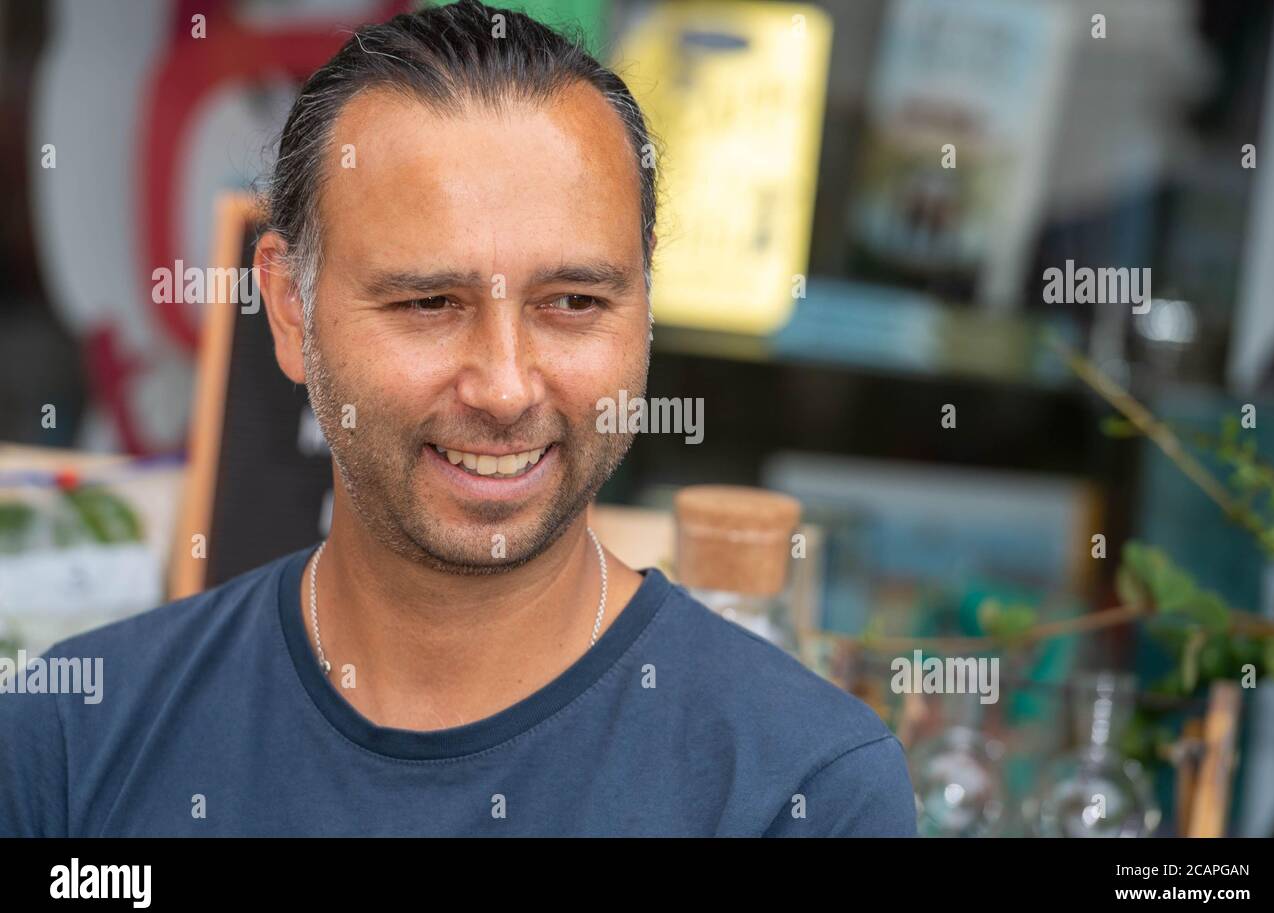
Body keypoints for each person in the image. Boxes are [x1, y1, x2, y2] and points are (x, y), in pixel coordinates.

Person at [0, 0, 914, 837]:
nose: (507, 387)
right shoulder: (74, 738)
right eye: (430, 302)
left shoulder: (801, 787)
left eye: (573, 302)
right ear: (288, 309)